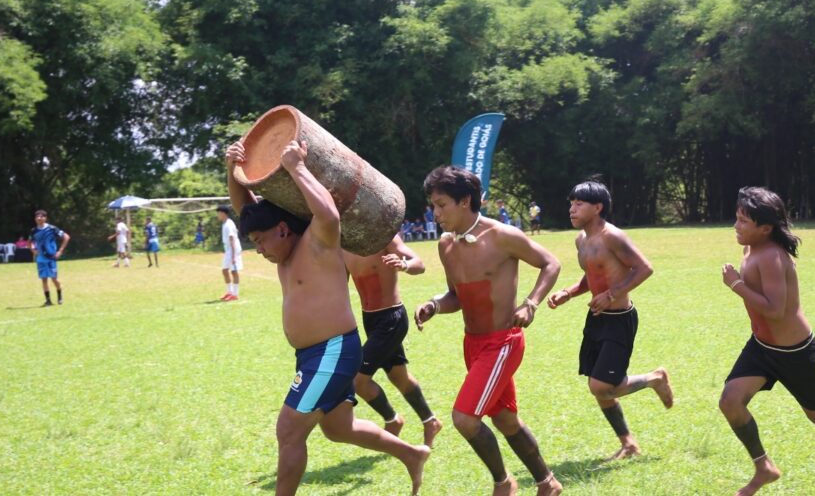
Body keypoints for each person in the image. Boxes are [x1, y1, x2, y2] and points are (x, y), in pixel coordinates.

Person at [226, 139, 430, 496]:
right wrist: (234, 170)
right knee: (338, 429)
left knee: (289, 431)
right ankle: (412, 454)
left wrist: (296, 166)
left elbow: (329, 214)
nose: (258, 249)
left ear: (283, 229)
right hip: (313, 356)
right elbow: (247, 209)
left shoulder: (317, 242)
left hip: (333, 351)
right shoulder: (284, 254)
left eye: (260, 240)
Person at [414, 166, 564, 496]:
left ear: (465, 200)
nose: (435, 214)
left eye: (441, 205)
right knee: (506, 420)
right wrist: (434, 305)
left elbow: (550, 263)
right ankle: (547, 483)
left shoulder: (502, 236)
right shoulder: (445, 245)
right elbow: (456, 295)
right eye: (434, 206)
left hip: (503, 342)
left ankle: (504, 483)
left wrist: (531, 303)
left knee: (465, 418)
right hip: (473, 345)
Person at [719, 187, 815, 496]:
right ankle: (764, 467)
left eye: (744, 221)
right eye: (737, 218)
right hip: (762, 347)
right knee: (730, 401)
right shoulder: (750, 247)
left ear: (766, 228)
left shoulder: (772, 255)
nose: (736, 226)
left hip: (795, 352)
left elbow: (775, 309)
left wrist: (735, 284)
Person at [546, 179, 673, 461]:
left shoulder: (612, 236)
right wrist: (569, 293)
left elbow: (644, 268)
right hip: (597, 319)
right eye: (571, 203)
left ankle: (654, 378)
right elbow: (592, 274)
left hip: (619, 319)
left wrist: (613, 293)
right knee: (598, 385)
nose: (572, 208)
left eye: (579, 203)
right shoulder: (581, 239)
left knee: (600, 385)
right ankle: (628, 443)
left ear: (598, 207)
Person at [343, 234, 444, 447]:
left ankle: (392, 420)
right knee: (399, 376)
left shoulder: (383, 236)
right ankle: (430, 421)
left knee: (357, 380)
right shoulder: (343, 242)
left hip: (391, 318)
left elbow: (420, 264)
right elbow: (338, 283)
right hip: (370, 319)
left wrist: (403, 264)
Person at [31, 210, 69, 306]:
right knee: (44, 279)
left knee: (54, 279)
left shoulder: (52, 229)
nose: (39, 218)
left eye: (41, 216)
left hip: (51, 258)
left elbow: (66, 237)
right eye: (37, 217)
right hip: (41, 258)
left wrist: (60, 251)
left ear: (45, 218)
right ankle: (48, 300)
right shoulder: (33, 231)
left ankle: (59, 296)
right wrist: (33, 250)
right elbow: (30, 242)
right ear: (35, 219)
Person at [217, 205, 241, 301]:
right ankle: (229, 292)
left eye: (218, 213)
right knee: (224, 270)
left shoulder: (229, 224)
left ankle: (235, 294)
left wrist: (233, 255)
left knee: (234, 271)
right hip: (228, 250)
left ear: (223, 213)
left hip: (233, 249)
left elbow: (232, 239)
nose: (217, 215)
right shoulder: (225, 223)